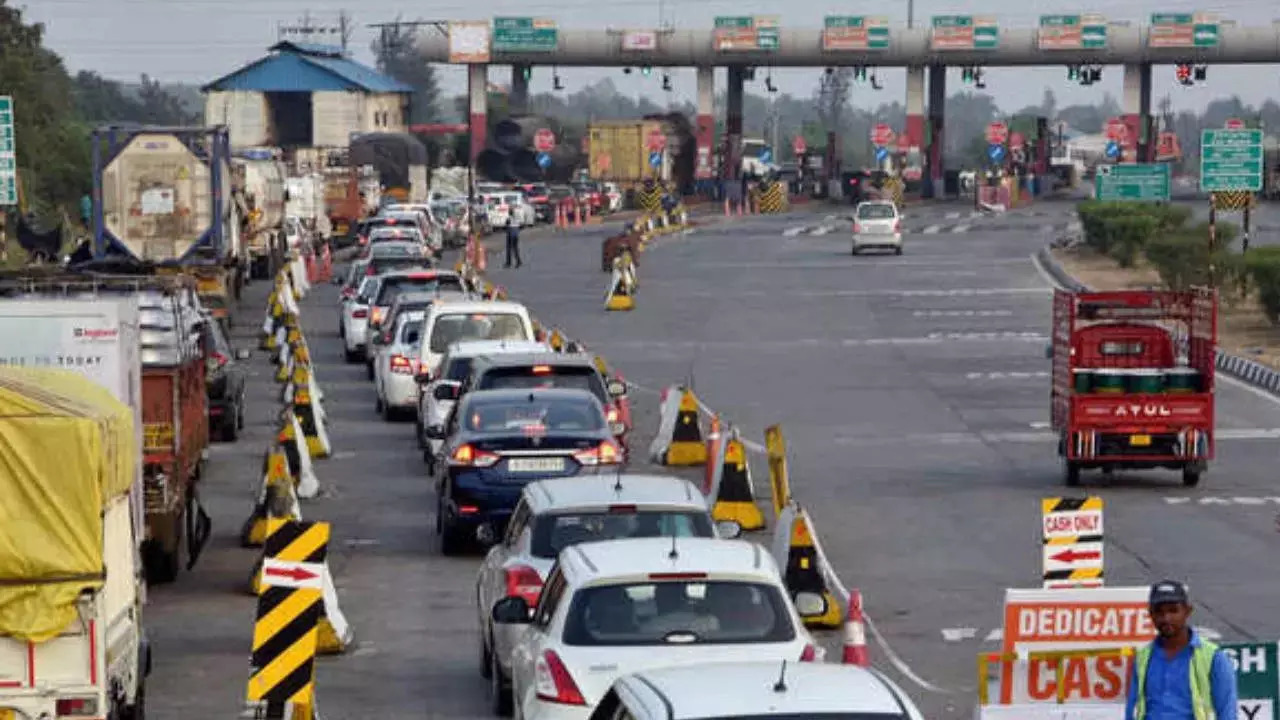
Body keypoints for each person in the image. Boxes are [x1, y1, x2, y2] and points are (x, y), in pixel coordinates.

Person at [1125, 580, 1236, 720]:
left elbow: (1227, 712)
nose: (1166, 618)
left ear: (1187, 611)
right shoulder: (1142, 657)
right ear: (1151, 614)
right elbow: (1132, 710)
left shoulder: (1214, 658)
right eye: (1159, 612)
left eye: (1173, 610)